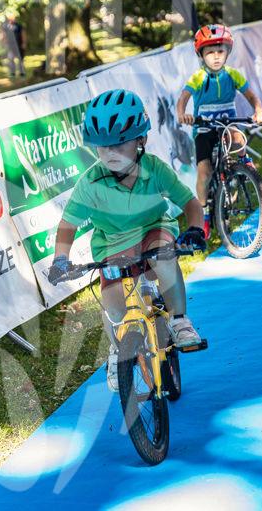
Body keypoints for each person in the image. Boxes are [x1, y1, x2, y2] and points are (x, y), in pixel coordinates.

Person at [47, 89, 207, 392]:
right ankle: (116, 349)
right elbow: (67, 225)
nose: (110, 152)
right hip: (113, 243)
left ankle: (179, 320)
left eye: (119, 144)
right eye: (102, 146)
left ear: (140, 140)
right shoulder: (90, 183)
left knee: (162, 254)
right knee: (112, 303)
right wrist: (60, 258)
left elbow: (189, 203)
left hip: (153, 229)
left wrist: (196, 229)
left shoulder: (155, 169)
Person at [176, 24, 262, 238]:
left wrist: (259, 110)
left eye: (220, 51)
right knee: (205, 171)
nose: (216, 56)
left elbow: (251, 96)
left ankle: (244, 164)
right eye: (210, 52)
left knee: (237, 137)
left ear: (227, 52)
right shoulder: (199, 77)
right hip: (204, 128)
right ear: (201, 55)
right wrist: (182, 114)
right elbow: (183, 99)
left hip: (227, 123)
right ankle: (204, 213)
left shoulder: (233, 75)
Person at [0, 13, 26, 78]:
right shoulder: (6, 27)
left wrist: (24, 43)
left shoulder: (19, 26)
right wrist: (3, 43)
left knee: (20, 59)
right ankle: (12, 73)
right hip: (10, 46)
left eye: (13, 18)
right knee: (11, 59)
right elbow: (3, 35)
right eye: (10, 18)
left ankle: (22, 72)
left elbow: (23, 34)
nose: (12, 19)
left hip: (19, 45)